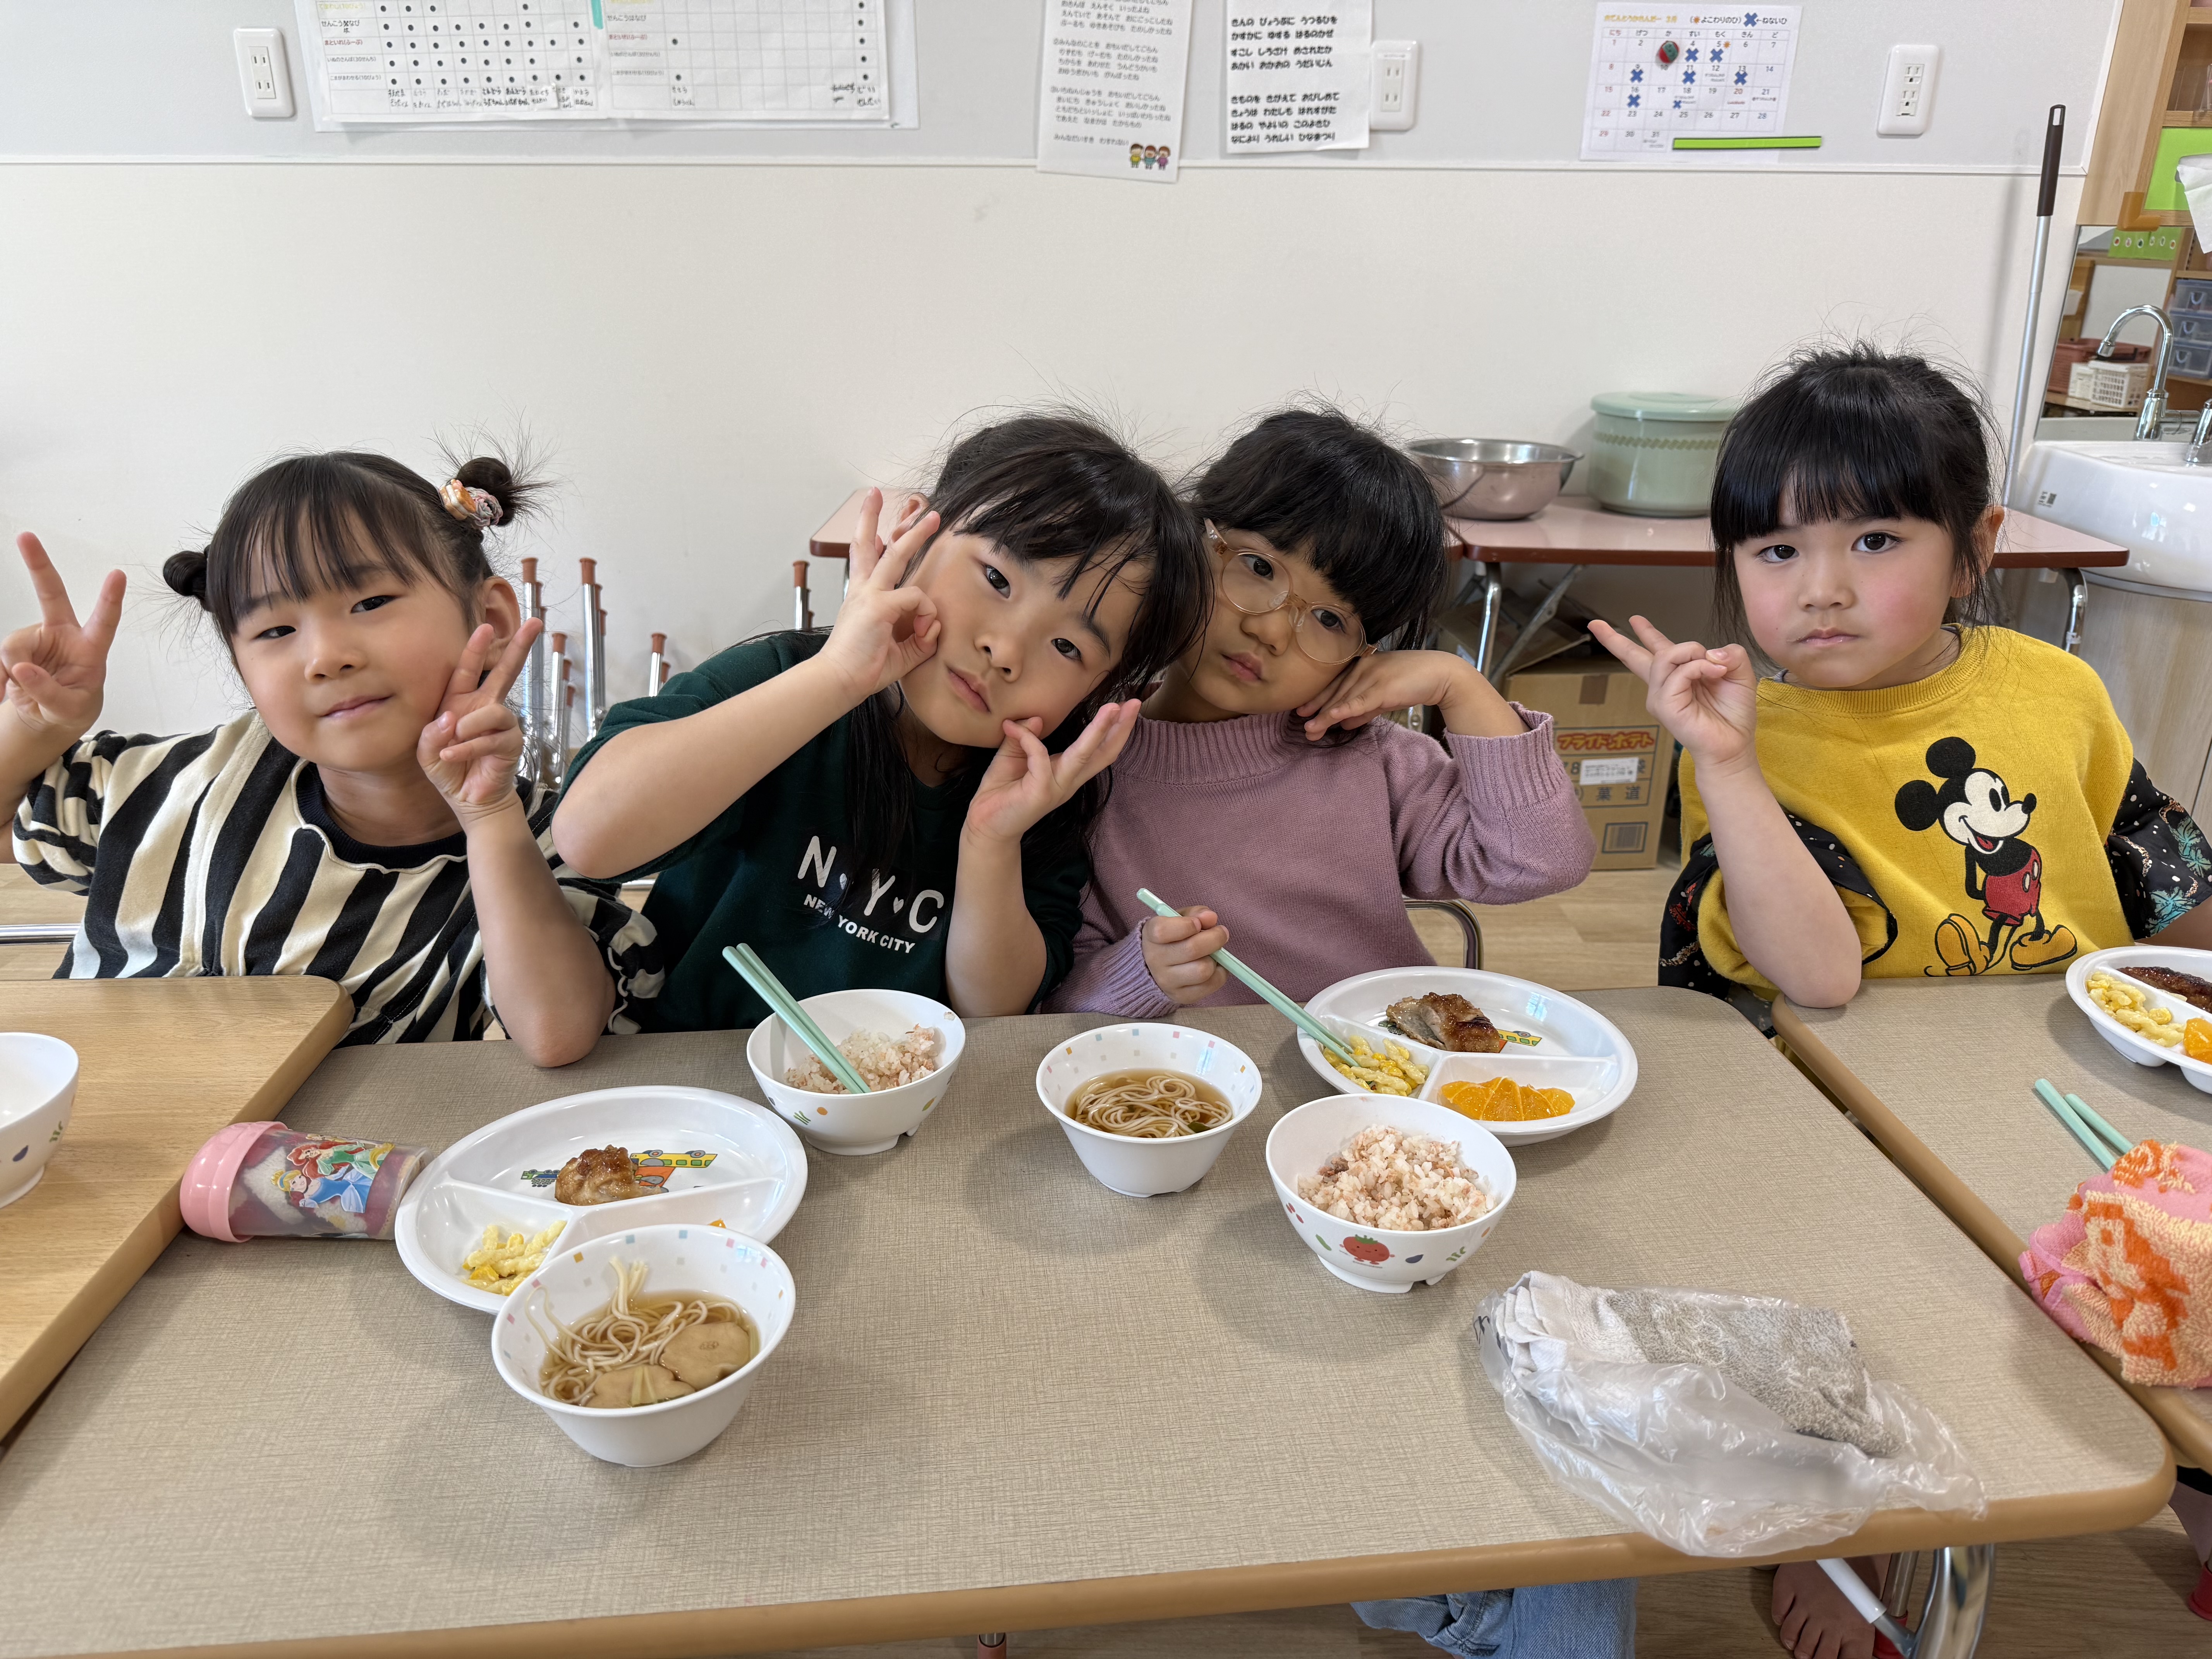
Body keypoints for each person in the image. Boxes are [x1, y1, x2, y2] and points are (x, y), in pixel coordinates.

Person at [1594, 343, 2212, 1657]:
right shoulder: (1748, 737)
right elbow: (1819, 973)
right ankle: (1852, 1512)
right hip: (1835, 1112)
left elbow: (2160, 874)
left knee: (2171, 1264)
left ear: (1974, 549)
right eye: (1776, 551)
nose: (1820, 587)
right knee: (1868, 1316)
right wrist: (1730, 769)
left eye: (1874, 539)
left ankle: (2199, 1484)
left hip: (2057, 1074)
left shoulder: (2058, 690)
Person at [551, 412, 1208, 1030]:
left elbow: (993, 1009)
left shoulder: (1044, 793)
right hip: (697, 1082)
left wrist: (990, 842)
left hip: (898, 1092)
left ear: (1103, 690)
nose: (1005, 651)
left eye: (1068, 647)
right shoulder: (785, 677)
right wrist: (836, 680)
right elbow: (589, 839)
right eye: (997, 579)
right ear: (914, 533)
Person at [2, 452, 658, 1064]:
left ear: (490, 618)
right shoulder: (178, 785)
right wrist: (30, 730)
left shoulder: (548, 841)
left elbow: (556, 1033)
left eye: (371, 603)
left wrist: (487, 819)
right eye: (275, 630)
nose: (325, 658)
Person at [1044, 405, 1594, 1018]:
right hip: (1192, 1072)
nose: (1272, 631)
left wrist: (1460, 685)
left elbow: (1542, 861)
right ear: (1191, 538)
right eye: (1258, 568)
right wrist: (1141, 971)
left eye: (1330, 619)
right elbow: (1051, 1001)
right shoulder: (1083, 763)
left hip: (1373, 1063)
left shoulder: (1369, 758)